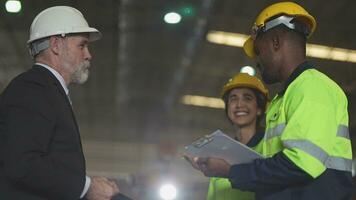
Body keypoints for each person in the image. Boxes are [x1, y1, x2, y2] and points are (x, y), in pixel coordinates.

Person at [190, 2, 354, 200]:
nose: (257, 62)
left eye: (258, 51)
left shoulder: (312, 87)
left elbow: (302, 163)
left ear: (275, 42)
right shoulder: (286, 97)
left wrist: (232, 171)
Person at [0, 6, 120, 200]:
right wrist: (87, 187)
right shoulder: (33, 89)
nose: (88, 55)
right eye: (82, 46)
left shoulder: (47, 91)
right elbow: (23, 163)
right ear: (56, 45)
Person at [206, 73, 269, 200]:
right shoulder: (219, 155)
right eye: (233, 98)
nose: (239, 104)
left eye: (247, 98)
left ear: (259, 109)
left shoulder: (269, 147)